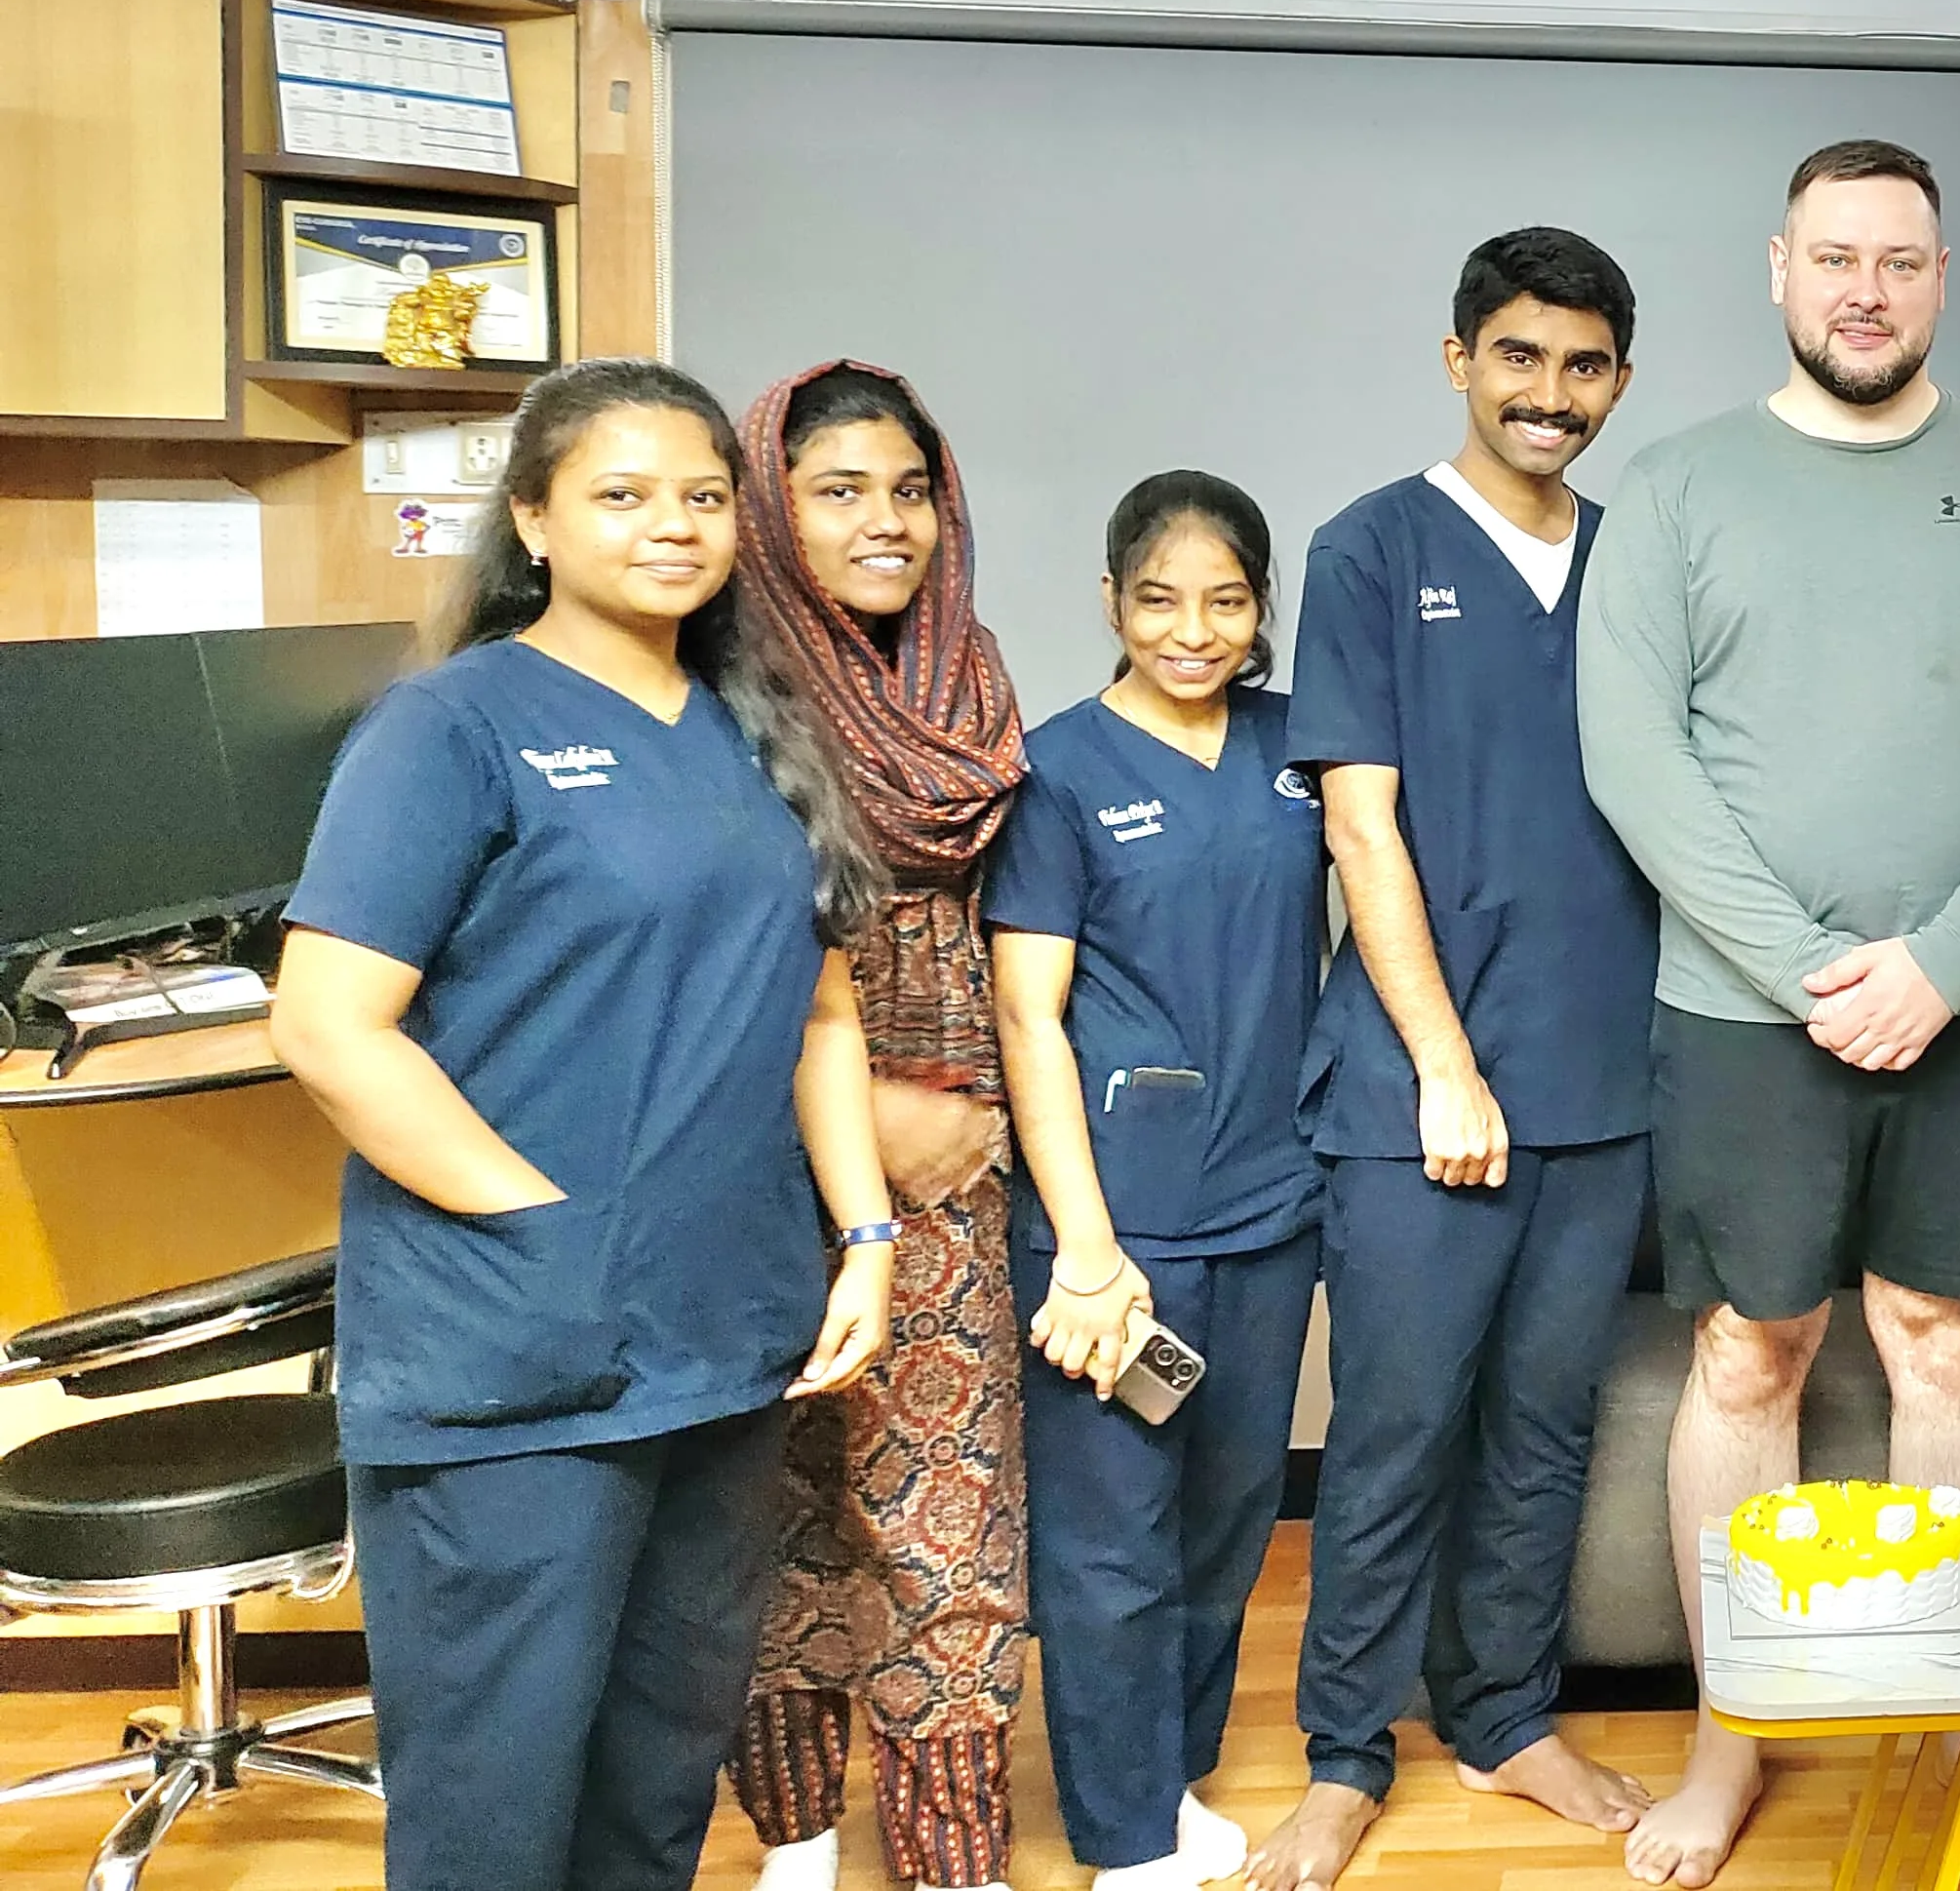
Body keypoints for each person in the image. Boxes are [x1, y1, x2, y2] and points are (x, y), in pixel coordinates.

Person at [268, 358, 897, 1891]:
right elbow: (328, 1028)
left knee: (658, 1769)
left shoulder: (753, 727)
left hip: (721, 1341)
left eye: (700, 497)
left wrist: (867, 1230)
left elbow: (815, 1010)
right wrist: (542, 1226)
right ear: (536, 519)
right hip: (515, 1358)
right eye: (621, 495)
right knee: (497, 1793)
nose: (671, 526)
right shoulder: (450, 731)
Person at [1577, 140, 1960, 1887]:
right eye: (1836, 257)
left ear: (1942, 281)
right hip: (1747, 1014)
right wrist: (1808, 967)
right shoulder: (1675, 490)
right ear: (1780, 269)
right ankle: (1734, 1739)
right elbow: (1635, 758)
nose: (1866, 289)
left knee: (1945, 1343)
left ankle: (1950, 1716)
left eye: (1900, 259)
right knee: (1749, 1350)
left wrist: (1944, 964)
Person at [1253, 230, 1664, 1891]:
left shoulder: (1638, 563)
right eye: (1518, 358)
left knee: (1545, 1429)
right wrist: (1442, 1066)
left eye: (1581, 367)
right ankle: (1346, 1752)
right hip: (1423, 1090)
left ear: (1618, 384)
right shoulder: (1372, 551)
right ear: (1459, 362)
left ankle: (1503, 1713)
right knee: (1399, 1430)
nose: (1548, 394)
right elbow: (1359, 820)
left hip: (1604, 1082)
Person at [989, 473, 1325, 1891]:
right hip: (1116, 1223)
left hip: (1269, 1202)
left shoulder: (1302, 749)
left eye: (1226, 600)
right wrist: (1083, 1245)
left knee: (1228, 1514)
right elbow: (1025, 1018)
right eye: (1159, 598)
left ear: (1260, 609)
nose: (1193, 630)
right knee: (1114, 1533)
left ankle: (1170, 1777)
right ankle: (1126, 1842)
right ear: (1113, 601)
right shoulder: (1056, 771)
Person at [728, 362, 1037, 1891]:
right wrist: (865, 1112)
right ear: (772, 508)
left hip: (955, 1157)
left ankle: (946, 1867)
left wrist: (961, 1117)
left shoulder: (964, 673)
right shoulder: (714, 687)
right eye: (839, 490)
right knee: (772, 1519)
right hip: (755, 1151)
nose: (887, 523)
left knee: (949, 1534)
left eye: (910, 490)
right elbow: (711, 948)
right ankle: (793, 1847)